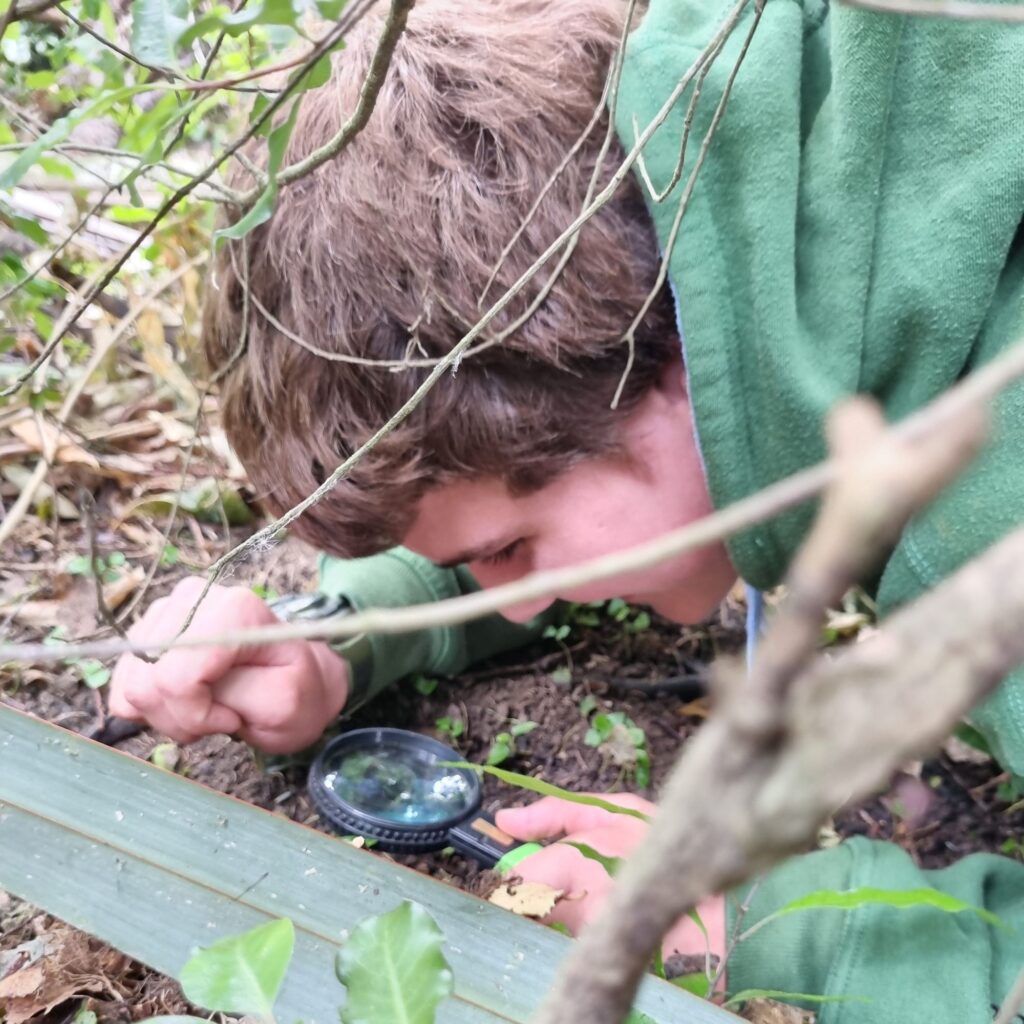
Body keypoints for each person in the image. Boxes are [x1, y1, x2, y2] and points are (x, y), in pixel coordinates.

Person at [110, 0, 1024, 1013]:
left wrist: (785, 933)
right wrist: (342, 634)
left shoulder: (995, 518)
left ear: (660, 358)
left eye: (511, 547)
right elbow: (583, 479)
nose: (519, 600)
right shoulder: (735, 133)